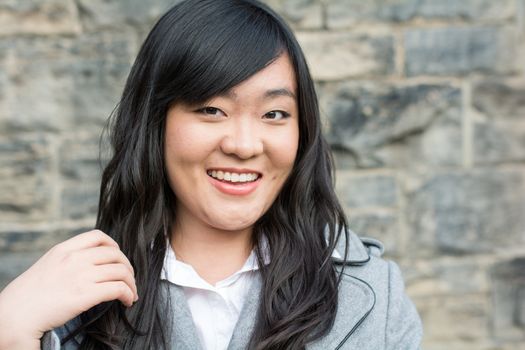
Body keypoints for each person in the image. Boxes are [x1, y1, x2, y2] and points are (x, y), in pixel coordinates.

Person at [0, 0, 423, 349]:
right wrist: (11, 333)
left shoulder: (372, 295)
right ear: (155, 122)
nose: (244, 144)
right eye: (211, 110)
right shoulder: (67, 303)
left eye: (274, 113)